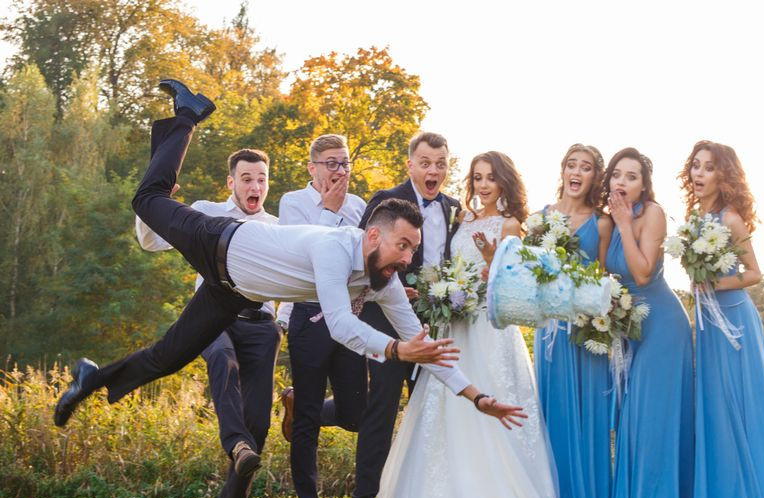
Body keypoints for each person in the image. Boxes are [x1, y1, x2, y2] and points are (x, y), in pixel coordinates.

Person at [53, 80, 525, 450]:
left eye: (411, 250)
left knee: (167, 357)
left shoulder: (383, 279)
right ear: (374, 236)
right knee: (146, 198)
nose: (407, 260)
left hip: (232, 292)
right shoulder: (334, 249)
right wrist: (401, 353)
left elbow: (421, 346)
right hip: (218, 242)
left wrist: (478, 398)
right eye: (403, 247)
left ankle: (90, 379)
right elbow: (341, 325)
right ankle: (188, 116)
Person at [377, 152, 560, 498]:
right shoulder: (462, 219)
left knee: (491, 395)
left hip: (489, 327)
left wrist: (492, 262)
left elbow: (513, 284)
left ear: (505, 182)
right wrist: (442, 292)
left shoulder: (510, 225)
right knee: (446, 404)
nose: (483, 185)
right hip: (454, 323)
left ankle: (496, 496)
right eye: (477, 178)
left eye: (491, 178)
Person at [135, 147, 282, 498]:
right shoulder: (207, 212)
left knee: (260, 421)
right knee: (221, 359)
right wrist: (157, 203)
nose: (255, 186)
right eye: (247, 179)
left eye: (261, 179)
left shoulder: (278, 227)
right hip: (214, 318)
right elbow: (151, 242)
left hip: (261, 323)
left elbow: (296, 278)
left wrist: (285, 323)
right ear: (231, 182)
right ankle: (236, 443)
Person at [679, 141, 764, 498]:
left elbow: (754, 273)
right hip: (708, 324)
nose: (698, 174)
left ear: (723, 175)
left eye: (708, 168)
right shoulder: (696, 218)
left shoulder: (730, 219)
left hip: (734, 321)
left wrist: (712, 281)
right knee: (713, 409)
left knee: (740, 407)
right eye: (695, 166)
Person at [351, 132, 461, 498]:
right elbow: (361, 258)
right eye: (426, 162)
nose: (434, 170)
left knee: (428, 415)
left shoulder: (454, 209)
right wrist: (392, 282)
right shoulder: (385, 200)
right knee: (380, 410)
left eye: (441, 163)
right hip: (385, 325)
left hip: (433, 325)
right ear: (410, 165)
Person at [276, 134, 368, 498]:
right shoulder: (292, 203)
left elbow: (364, 256)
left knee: (356, 413)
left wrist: (367, 290)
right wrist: (329, 210)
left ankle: (296, 403)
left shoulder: (360, 206)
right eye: (331, 163)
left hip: (349, 317)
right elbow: (302, 257)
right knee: (308, 421)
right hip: (310, 316)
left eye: (344, 162)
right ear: (312, 167)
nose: (339, 170)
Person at [601, 148, 695, 498]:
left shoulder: (652, 213)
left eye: (632, 176)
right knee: (630, 420)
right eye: (617, 175)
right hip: (628, 327)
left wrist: (624, 223)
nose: (622, 182)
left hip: (662, 327)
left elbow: (641, 274)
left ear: (644, 185)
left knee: (650, 418)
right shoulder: (608, 220)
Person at [534, 144, 614, 498]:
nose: (576, 173)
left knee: (589, 415)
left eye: (585, 167)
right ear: (562, 170)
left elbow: (603, 278)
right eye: (571, 165)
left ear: (594, 176)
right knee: (555, 414)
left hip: (585, 330)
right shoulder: (542, 218)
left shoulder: (601, 223)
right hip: (550, 330)